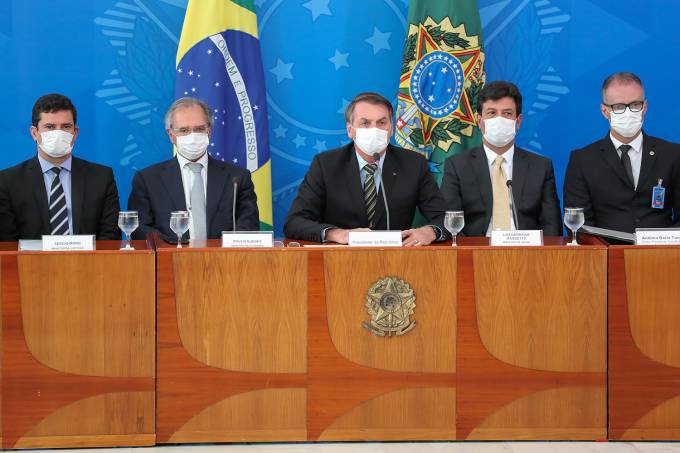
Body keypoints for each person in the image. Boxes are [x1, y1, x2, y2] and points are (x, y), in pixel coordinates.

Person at [284, 92, 448, 246]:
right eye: (365, 123)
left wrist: (430, 231)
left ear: (391, 129)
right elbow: (295, 222)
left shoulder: (413, 164)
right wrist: (338, 234)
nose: (374, 129)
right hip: (338, 261)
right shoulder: (326, 164)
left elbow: (446, 219)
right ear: (350, 130)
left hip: (397, 261)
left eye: (381, 123)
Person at [440, 81, 562, 236]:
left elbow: (551, 225)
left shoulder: (541, 167)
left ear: (518, 122)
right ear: (479, 121)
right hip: (476, 253)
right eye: (491, 113)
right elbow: (450, 222)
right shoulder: (458, 165)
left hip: (528, 254)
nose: (499, 119)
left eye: (507, 113)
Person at [128, 97, 259, 241]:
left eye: (199, 129)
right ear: (171, 135)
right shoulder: (148, 179)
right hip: (170, 259)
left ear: (209, 131)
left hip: (223, 260)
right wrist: (178, 248)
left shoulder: (238, 178)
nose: (192, 136)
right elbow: (140, 230)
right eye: (184, 130)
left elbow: (248, 225)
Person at [564, 72, 680, 233]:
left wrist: (663, 244)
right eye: (618, 107)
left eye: (634, 105)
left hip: (660, 254)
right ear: (605, 111)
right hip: (607, 254)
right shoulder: (582, 160)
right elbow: (579, 225)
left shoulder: (673, 154)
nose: (628, 113)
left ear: (644, 108)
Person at [0, 93, 120, 241]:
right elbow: (7, 242)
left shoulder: (102, 178)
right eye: (49, 127)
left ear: (75, 133)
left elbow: (109, 236)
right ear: (34, 133)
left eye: (66, 127)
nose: (58, 133)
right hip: (31, 263)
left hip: (88, 263)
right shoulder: (8, 181)